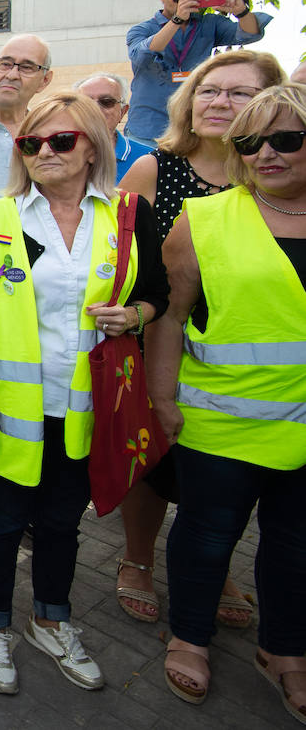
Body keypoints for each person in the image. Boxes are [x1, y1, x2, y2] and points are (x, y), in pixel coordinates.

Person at [0, 93, 168, 695]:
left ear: (92, 147)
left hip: (88, 408)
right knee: (1, 521)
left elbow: (158, 292)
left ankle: (52, 618)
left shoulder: (127, 215)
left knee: (60, 523)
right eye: (31, 143)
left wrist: (135, 314)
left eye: (61, 141)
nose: (44, 152)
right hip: (11, 406)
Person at [148, 83, 306, 717]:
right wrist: (162, 397)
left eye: (286, 140)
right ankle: (189, 636)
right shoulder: (204, 219)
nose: (267, 153)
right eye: (250, 142)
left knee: (296, 543)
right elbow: (172, 316)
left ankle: (286, 650)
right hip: (223, 419)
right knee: (208, 537)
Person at [113, 50, 285, 629]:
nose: (221, 103)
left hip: (244, 350)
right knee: (153, 460)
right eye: (210, 91)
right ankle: (137, 560)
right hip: (156, 332)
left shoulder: (277, 172)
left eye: (240, 94)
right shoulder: (154, 170)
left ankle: (212, 566)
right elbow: (121, 265)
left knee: (225, 476)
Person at [126, 0, 271, 146]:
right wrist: (178, 19)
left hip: (192, 129)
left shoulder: (209, 23)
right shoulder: (142, 29)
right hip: (148, 130)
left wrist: (240, 11)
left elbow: (250, 34)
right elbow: (142, 54)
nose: (187, 2)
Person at [0, 34, 54, 202]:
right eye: (5, 64)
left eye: (26, 67)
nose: (12, 74)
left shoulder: (54, 141)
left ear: (45, 80)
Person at [75, 72, 152, 180]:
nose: (96, 108)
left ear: (123, 111)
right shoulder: (56, 154)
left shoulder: (151, 158)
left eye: (106, 102)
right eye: (86, 102)